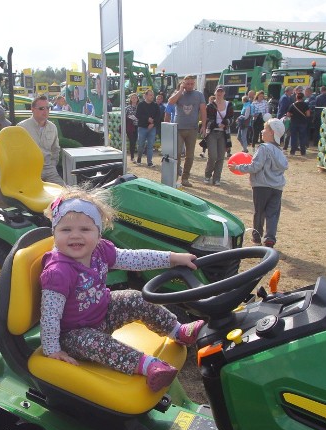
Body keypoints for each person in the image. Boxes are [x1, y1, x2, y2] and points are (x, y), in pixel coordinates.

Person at [39, 188, 204, 392]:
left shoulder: (100, 250)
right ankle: (148, 366)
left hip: (102, 314)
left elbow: (134, 258)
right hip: (73, 335)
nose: (75, 236)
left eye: (85, 229)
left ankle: (178, 331)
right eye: (65, 230)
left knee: (135, 297)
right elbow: (50, 315)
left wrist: (172, 258)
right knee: (94, 342)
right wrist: (52, 350)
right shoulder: (58, 272)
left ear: (98, 233)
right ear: (54, 232)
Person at [229, 118, 289, 248]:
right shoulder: (280, 152)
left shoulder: (263, 148)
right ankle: (270, 239)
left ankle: (256, 237)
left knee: (259, 212)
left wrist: (237, 167)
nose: (262, 131)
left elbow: (255, 166)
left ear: (272, 132)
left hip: (261, 186)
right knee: (273, 214)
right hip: (277, 187)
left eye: (265, 129)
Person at [168, 74, 207, 187]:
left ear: (194, 84)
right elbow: (170, 102)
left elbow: (203, 111)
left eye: (191, 84)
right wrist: (180, 90)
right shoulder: (178, 93)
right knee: (177, 154)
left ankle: (185, 178)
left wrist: (203, 125)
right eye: (187, 84)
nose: (190, 86)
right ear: (184, 83)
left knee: (190, 155)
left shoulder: (199, 95)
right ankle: (174, 178)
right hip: (179, 128)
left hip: (192, 129)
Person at [19, 95, 65, 185]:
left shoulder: (52, 127)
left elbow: (55, 149)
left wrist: (52, 165)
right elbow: (17, 153)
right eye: (41, 108)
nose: (45, 111)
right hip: (30, 171)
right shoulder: (22, 127)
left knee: (64, 192)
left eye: (48, 108)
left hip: (49, 169)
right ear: (32, 109)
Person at [203, 86, 235, 185]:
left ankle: (217, 178)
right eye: (218, 91)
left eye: (221, 91)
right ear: (215, 92)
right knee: (213, 156)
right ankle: (208, 175)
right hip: (212, 132)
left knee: (221, 157)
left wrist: (225, 123)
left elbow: (231, 118)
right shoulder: (210, 105)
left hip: (224, 133)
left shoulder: (229, 104)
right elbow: (207, 119)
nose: (219, 93)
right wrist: (216, 124)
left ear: (224, 93)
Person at [135, 88, 163, 167]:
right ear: (146, 96)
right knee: (141, 144)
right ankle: (139, 158)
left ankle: (149, 162)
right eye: (150, 95)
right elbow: (138, 115)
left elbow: (158, 116)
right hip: (142, 127)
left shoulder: (155, 105)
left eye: (153, 95)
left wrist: (153, 123)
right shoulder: (141, 105)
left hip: (152, 128)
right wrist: (147, 119)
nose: (152, 97)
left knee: (150, 145)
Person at [124, 92, 139, 162]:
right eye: (132, 98)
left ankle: (134, 155)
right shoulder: (127, 108)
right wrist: (129, 117)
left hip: (137, 126)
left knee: (135, 140)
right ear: (130, 99)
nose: (134, 99)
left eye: (135, 97)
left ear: (137, 99)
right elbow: (124, 117)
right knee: (132, 141)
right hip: (130, 127)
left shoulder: (139, 107)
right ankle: (132, 157)